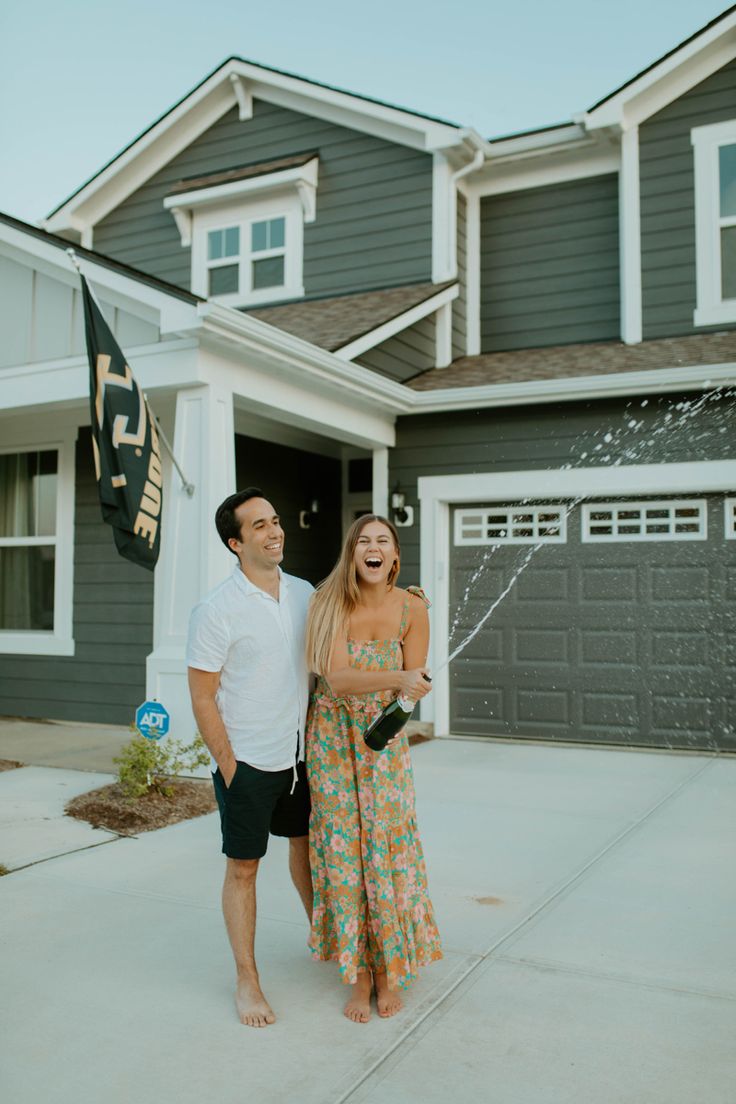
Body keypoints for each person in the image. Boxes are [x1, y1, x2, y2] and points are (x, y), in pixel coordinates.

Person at [305, 514, 442, 1023]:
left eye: (382, 540)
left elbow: (412, 686)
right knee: (343, 850)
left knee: (386, 845)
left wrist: (412, 684)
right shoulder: (330, 603)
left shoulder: (414, 606)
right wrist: (402, 676)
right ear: (351, 552)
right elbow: (338, 680)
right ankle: (358, 975)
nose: (373, 547)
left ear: (395, 555)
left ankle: (388, 969)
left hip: (382, 740)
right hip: (333, 741)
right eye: (363, 540)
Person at [186, 488, 313, 1028]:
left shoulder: (305, 592)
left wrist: (410, 597)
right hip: (250, 762)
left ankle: (326, 938)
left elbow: (356, 612)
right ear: (236, 542)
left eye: (277, 520)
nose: (275, 531)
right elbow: (201, 695)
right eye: (259, 525)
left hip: (301, 756)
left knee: (307, 851)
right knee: (244, 868)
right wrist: (230, 766)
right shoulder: (216, 610)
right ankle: (247, 979)